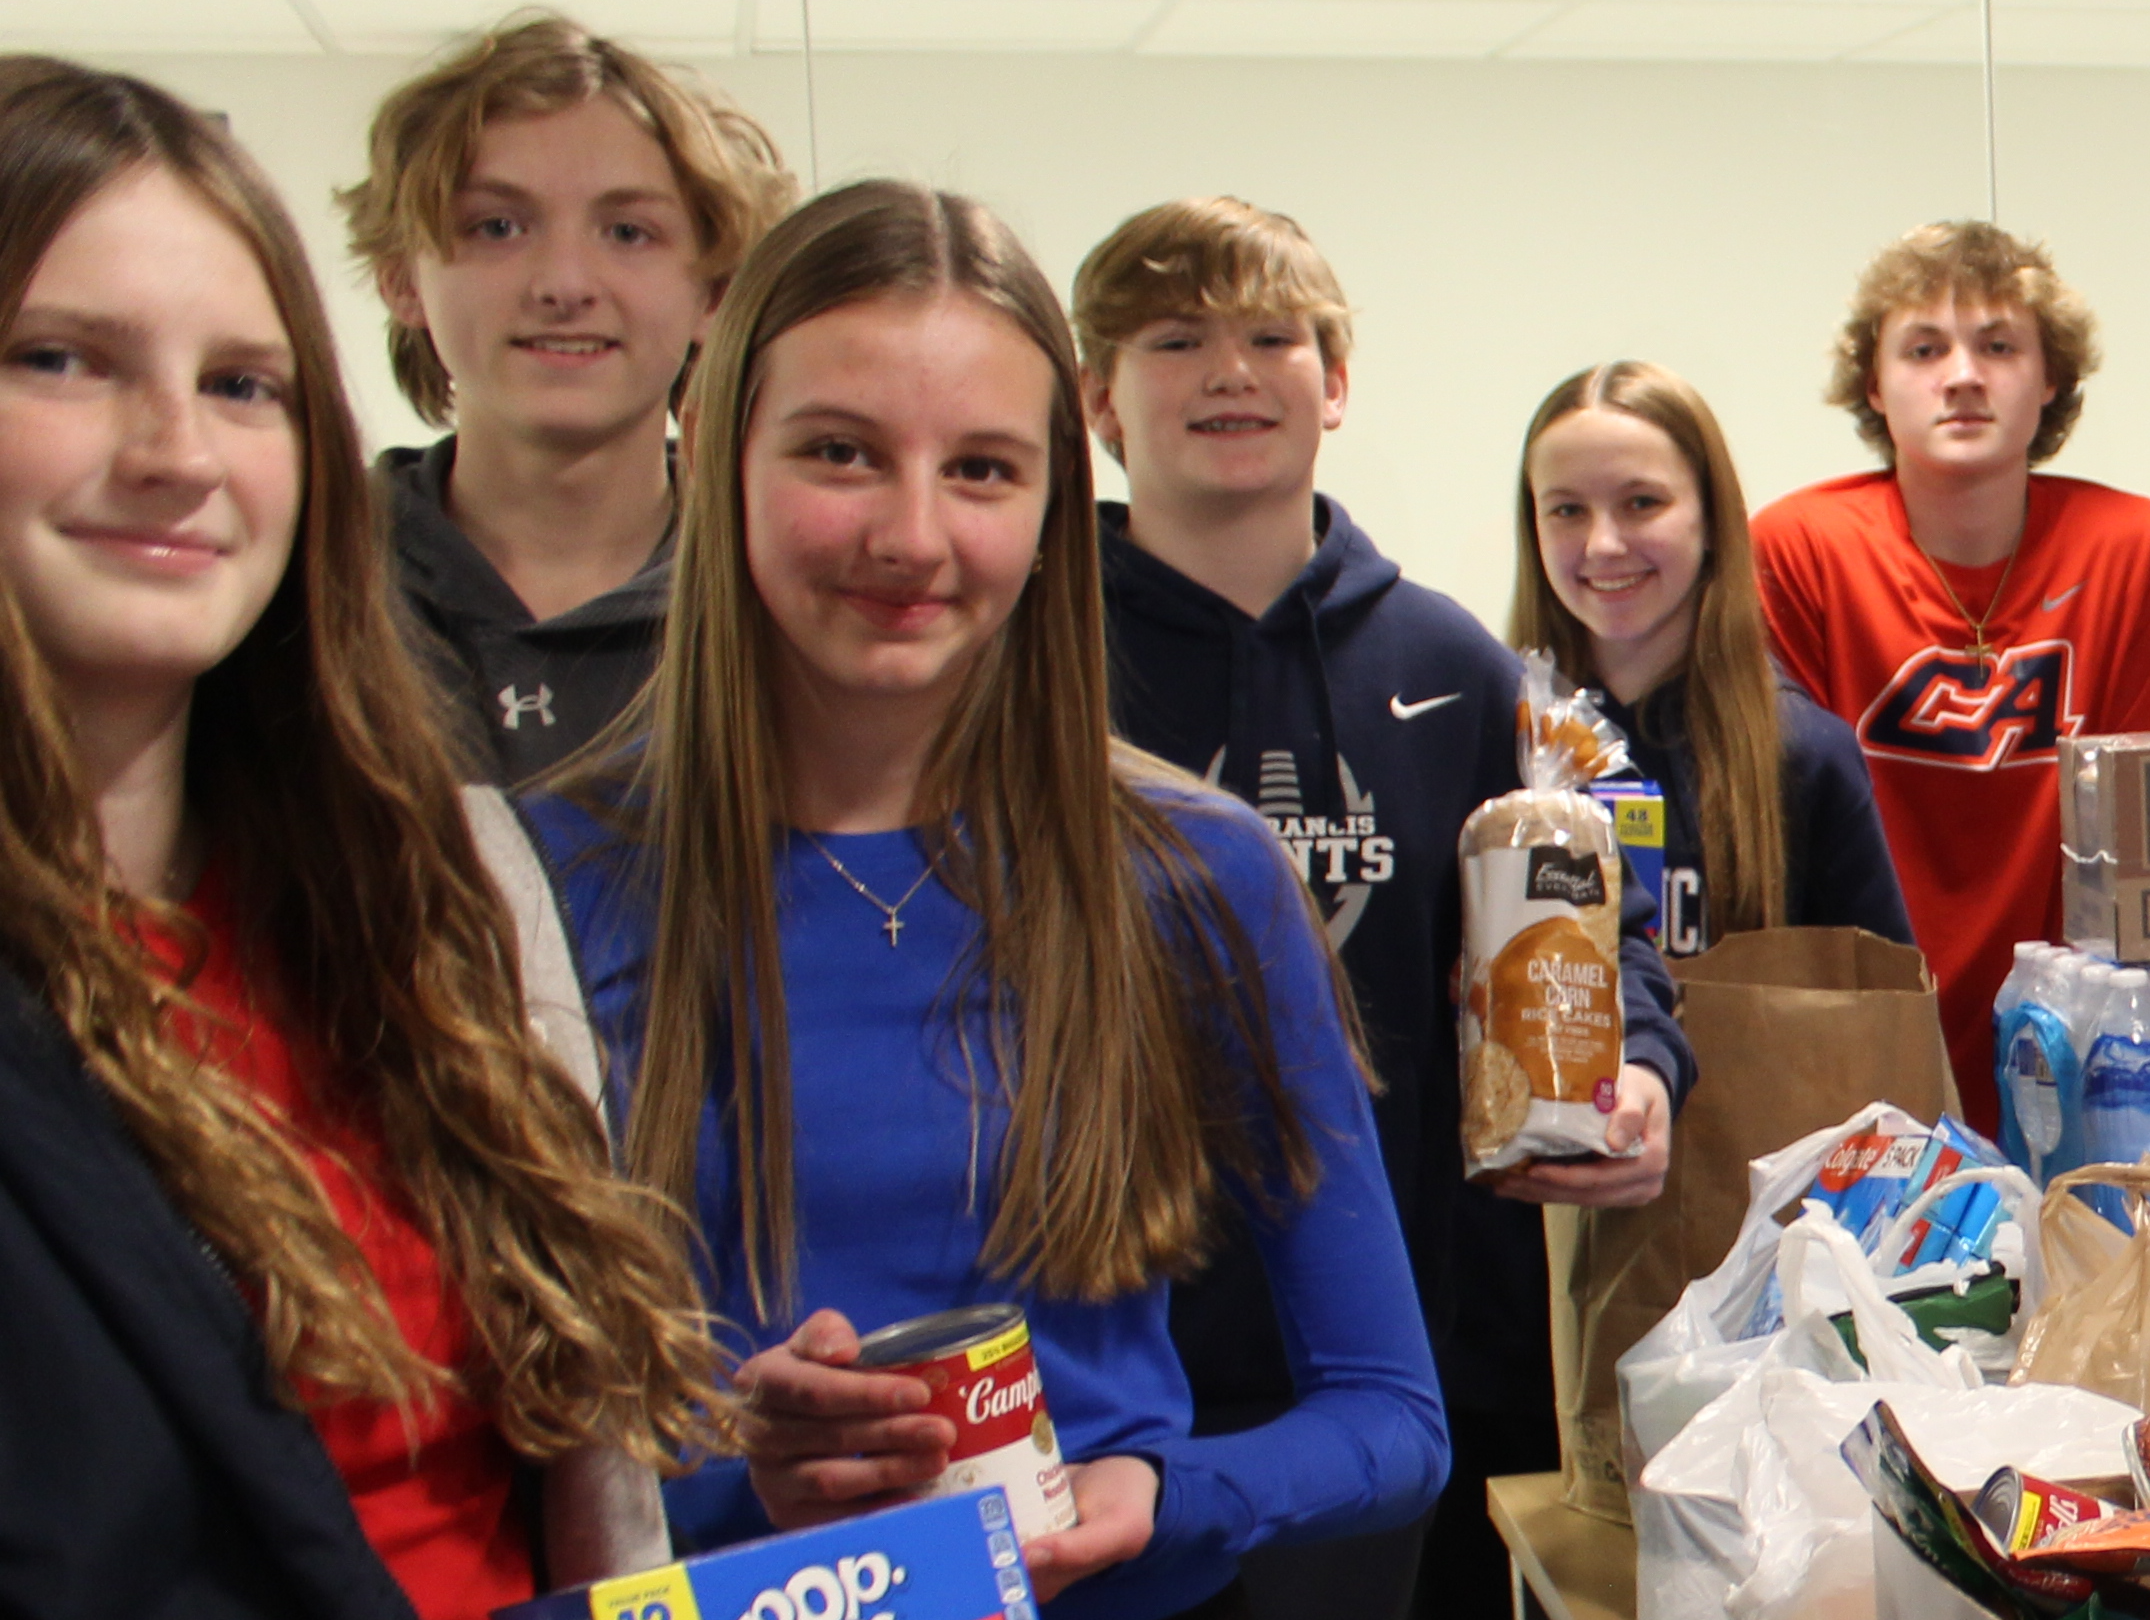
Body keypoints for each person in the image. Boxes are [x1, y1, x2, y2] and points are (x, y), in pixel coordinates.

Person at [526, 178, 1446, 1620]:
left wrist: (1164, 1491)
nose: (912, 536)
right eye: (839, 452)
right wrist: (732, 1473)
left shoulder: (1193, 875)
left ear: (1056, 494)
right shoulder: (544, 881)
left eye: (982, 471)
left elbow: (1391, 1422)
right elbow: (471, 1448)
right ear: (713, 450)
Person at [0, 57, 726, 1620]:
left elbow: (568, 1485)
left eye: (242, 384)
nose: (175, 451)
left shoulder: (432, 884)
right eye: (61, 360)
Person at [1065, 194, 1652, 1620]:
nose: (1229, 370)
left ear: (1335, 385)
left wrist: (1642, 1074)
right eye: (1175, 337)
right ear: (1096, 399)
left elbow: (1587, 929)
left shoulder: (1446, 658)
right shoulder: (1028, 657)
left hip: (1395, 1353)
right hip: (1098, 1352)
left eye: (1275, 335)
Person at [1754, 220, 2150, 1124]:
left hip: (2061, 1042)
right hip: (1860, 1029)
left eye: (1998, 345)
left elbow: (2146, 830)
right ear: (1873, 383)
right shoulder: (1800, 548)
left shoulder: (2127, 544)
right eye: (1923, 348)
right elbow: (1787, 838)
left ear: (2051, 376)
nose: (1962, 375)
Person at [337, 10, 791, 781]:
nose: (564, 285)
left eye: (627, 233)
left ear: (713, 292)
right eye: (498, 226)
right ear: (403, 279)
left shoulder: (788, 579)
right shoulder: (312, 570)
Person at [1509, 359, 1913, 967]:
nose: (1603, 545)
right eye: (1567, 510)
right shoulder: (1496, 742)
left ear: (1711, 521)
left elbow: (1887, 1024)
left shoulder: (1803, 754)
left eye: (1641, 502)